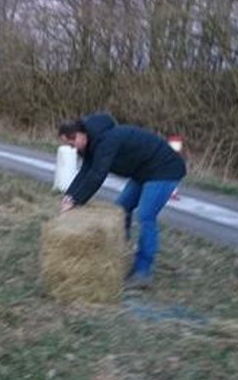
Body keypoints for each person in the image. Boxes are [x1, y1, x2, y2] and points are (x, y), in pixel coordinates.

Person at [58, 113, 186, 289]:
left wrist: (76, 202)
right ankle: (120, 254)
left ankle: (143, 273)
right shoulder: (91, 145)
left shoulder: (107, 141)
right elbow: (85, 172)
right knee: (121, 208)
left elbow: (97, 176)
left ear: (81, 134)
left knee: (146, 215)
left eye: (72, 143)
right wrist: (70, 196)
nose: (72, 148)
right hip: (143, 172)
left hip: (164, 170)